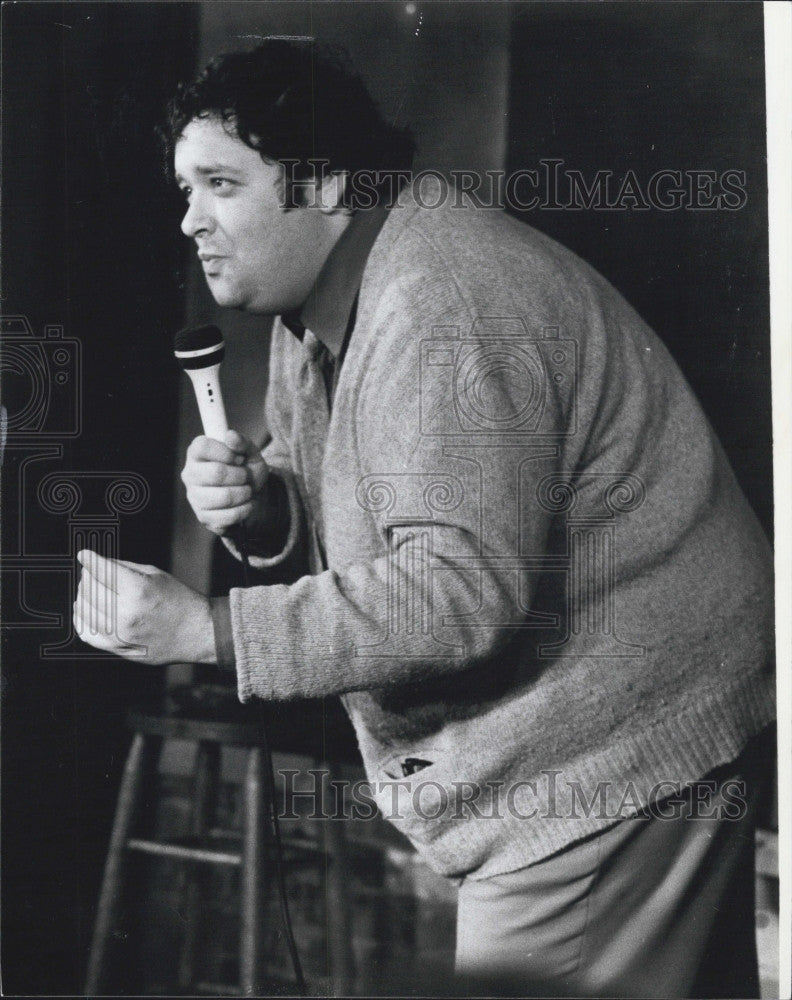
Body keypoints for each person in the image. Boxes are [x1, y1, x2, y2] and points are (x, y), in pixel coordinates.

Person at [74, 38, 775, 997]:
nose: (190, 219)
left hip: (612, 744)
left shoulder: (443, 300)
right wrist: (266, 502)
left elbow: (459, 590)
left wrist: (209, 627)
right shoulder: (323, 300)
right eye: (186, 190)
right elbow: (401, 498)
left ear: (321, 186)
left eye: (220, 185)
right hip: (611, 720)